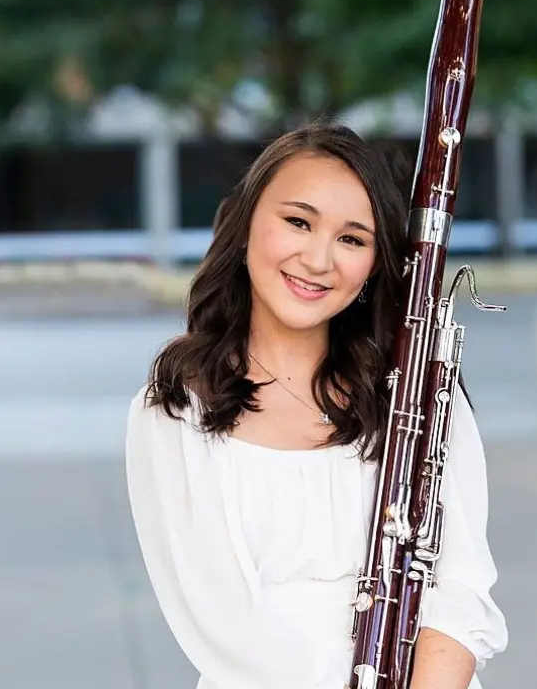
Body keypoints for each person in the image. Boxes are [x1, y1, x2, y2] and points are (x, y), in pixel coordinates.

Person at [125, 123, 508, 689]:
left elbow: (461, 589)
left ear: (376, 264)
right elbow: (219, 621)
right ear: (247, 222)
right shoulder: (177, 406)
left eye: (352, 239)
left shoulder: (422, 391)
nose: (318, 258)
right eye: (298, 222)